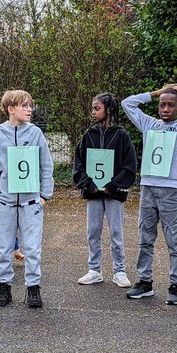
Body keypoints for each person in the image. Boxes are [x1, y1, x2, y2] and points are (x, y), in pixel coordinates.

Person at [121, 82, 177, 304]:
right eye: (162, 105)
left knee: (173, 238)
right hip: (148, 187)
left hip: (170, 190)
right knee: (145, 236)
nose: (166, 109)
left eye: (171, 105)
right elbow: (127, 103)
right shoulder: (149, 124)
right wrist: (154, 93)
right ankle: (145, 281)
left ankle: (175, 284)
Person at [0, 89, 54, 308]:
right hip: (5, 203)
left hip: (31, 203)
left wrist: (44, 196)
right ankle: (4, 286)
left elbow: (46, 165)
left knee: (32, 247)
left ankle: (33, 288)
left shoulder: (36, 133)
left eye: (31, 106)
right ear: (11, 109)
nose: (30, 110)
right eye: (25, 106)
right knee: (3, 246)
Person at [72, 92, 136, 287]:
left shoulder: (121, 135)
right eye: (92, 108)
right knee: (93, 231)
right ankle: (94, 269)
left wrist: (113, 185)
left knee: (116, 232)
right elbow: (78, 163)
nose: (93, 112)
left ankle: (120, 270)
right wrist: (87, 183)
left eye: (97, 108)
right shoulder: (88, 135)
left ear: (108, 110)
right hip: (93, 194)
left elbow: (129, 165)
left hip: (113, 194)